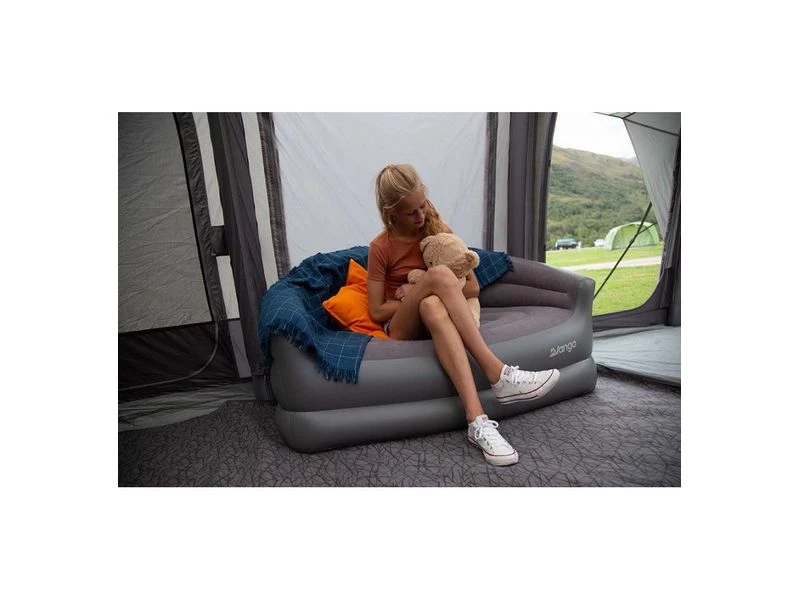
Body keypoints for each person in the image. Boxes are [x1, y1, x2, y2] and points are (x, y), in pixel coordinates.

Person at [366, 164, 560, 466]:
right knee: (438, 280)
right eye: (410, 213)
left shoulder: (440, 232)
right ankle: (498, 373)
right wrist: (417, 293)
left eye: (423, 205)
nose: (420, 216)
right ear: (391, 213)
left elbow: (472, 287)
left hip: (435, 316)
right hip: (402, 326)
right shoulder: (380, 247)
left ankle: (477, 422)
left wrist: (423, 291)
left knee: (432, 305)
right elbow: (377, 311)